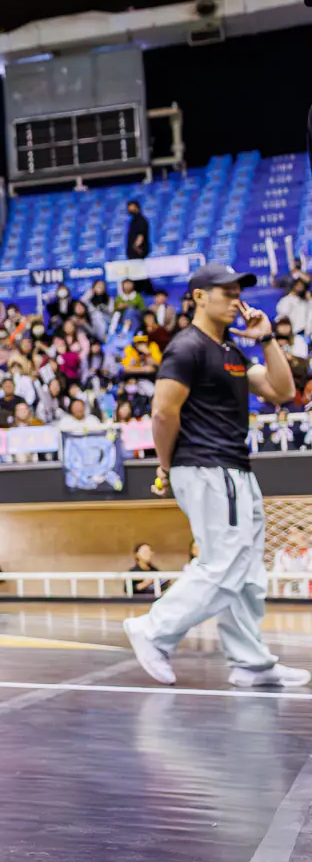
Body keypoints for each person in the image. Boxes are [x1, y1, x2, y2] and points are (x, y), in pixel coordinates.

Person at [122, 263, 308, 688]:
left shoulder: (231, 352)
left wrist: (267, 339)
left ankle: (250, 663)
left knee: (246, 571)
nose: (234, 299)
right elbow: (163, 412)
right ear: (199, 297)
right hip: (205, 466)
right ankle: (152, 629)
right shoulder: (186, 348)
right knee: (223, 564)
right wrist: (167, 467)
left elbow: (281, 391)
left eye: (236, 291)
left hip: (235, 469)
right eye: (224, 292)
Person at [126, 200, 152, 293]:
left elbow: (140, 235)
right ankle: (142, 290)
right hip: (134, 252)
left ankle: (148, 291)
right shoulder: (133, 221)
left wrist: (137, 248)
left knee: (140, 272)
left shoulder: (141, 220)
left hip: (137, 252)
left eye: (132, 207)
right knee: (138, 272)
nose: (130, 210)